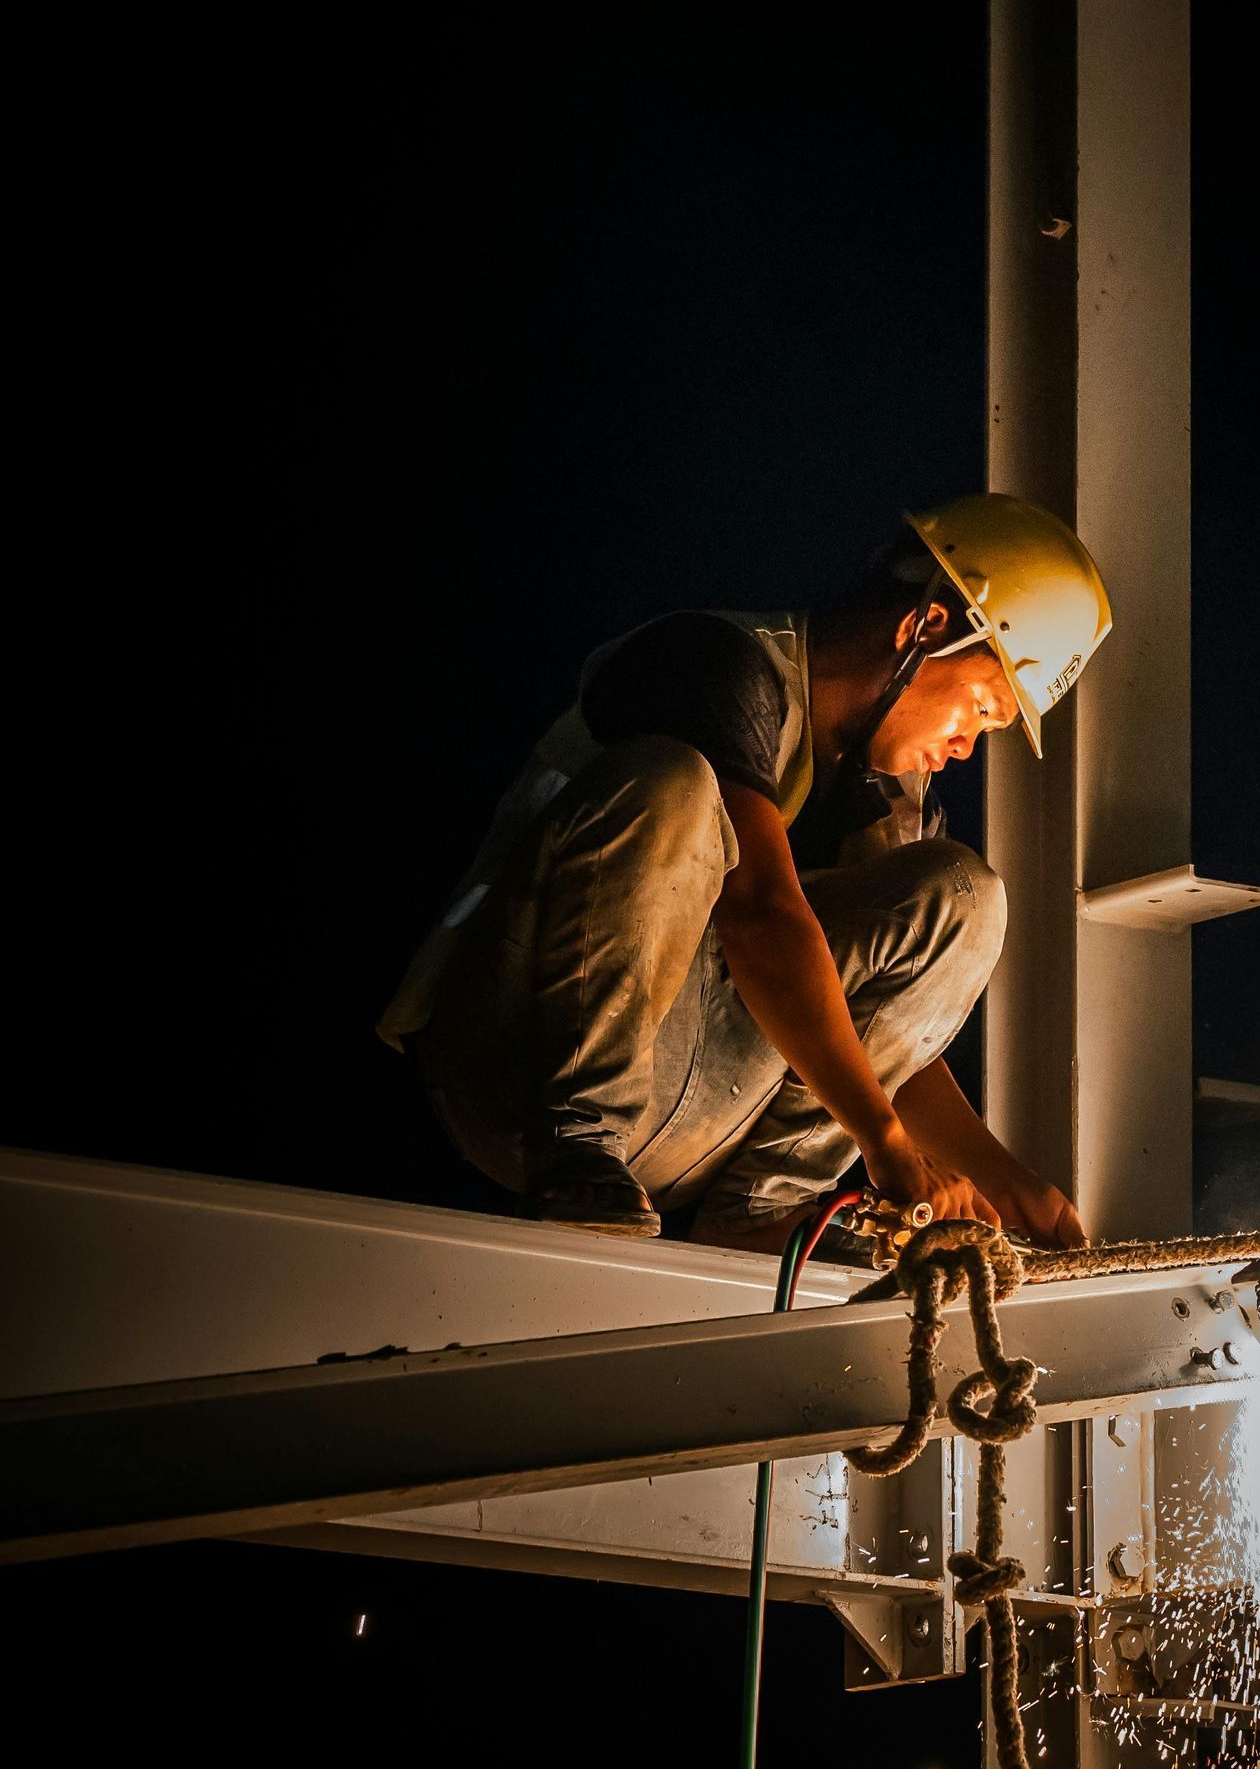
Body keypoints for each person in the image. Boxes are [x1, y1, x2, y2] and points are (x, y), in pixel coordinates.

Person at [379, 496, 1110, 1251]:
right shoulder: (712, 665)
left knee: (962, 897)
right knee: (676, 782)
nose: (966, 748)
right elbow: (762, 913)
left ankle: (762, 1208)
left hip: (680, 1112)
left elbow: (877, 1041)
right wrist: (887, 1149)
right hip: (512, 1074)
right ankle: (581, 1138)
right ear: (924, 630)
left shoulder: (891, 807)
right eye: (981, 708)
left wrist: (1010, 1183)